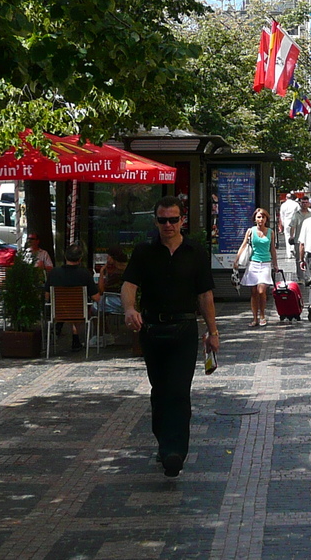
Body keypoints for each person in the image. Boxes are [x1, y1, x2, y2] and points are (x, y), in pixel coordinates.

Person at [123, 197, 220, 478]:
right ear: (155, 221)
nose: (168, 225)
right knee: (160, 390)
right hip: (152, 330)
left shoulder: (195, 252)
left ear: (182, 221)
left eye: (173, 220)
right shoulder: (144, 251)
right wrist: (130, 309)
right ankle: (163, 440)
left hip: (184, 329)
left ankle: (174, 451)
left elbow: (205, 295)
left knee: (178, 391)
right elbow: (129, 285)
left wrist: (212, 332)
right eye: (163, 220)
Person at [234, 208, 275, 327]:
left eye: (263, 217)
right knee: (253, 292)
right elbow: (243, 245)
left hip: (266, 263)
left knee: (261, 291)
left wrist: (275, 264)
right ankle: (255, 318)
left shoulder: (270, 232)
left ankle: (262, 315)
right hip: (253, 263)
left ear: (266, 219)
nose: (261, 219)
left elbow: (272, 248)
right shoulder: (250, 231)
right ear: (255, 219)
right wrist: (236, 260)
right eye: (258, 217)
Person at [47, 251, 94, 351]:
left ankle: (59, 327)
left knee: (69, 306)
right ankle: (76, 338)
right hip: (80, 313)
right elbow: (96, 297)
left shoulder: (54, 272)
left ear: (65, 257)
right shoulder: (85, 273)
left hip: (58, 312)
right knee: (79, 306)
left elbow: (47, 296)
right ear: (80, 259)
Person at [285, 194, 311, 270]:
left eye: (306, 202)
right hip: (298, 239)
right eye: (303, 202)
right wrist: (292, 236)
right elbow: (292, 226)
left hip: (309, 240)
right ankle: (300, 277)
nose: (304, 204)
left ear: (308, 204)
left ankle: (308, 277)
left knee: (308, 258)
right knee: (299, 259)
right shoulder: (296, 214)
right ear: (300, 204)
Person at [278, 192, 301, 262]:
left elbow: (281, 215)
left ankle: (289, 254)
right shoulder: (296, 204)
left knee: (287, 237)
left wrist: (282, 223)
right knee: (295, 236)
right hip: (294, 221)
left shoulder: (283, 205)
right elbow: (299, 213)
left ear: (286, 198)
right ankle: (293, 248)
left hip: (286, 222)